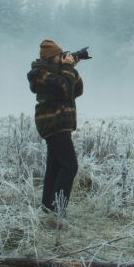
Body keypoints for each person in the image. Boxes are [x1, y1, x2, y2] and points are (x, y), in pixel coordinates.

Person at [27, 39, 84, 216]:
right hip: (53, 123)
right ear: (51, 58)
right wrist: (68, 68)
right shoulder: (40, 74)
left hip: (59, 124)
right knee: (70, 167)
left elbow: (77, 90)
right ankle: (58, 209)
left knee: (55, 167)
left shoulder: (59, 72)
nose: (63, 58)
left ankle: (47, 207)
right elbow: (65, 89)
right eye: (60, 56)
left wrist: (72, 67)